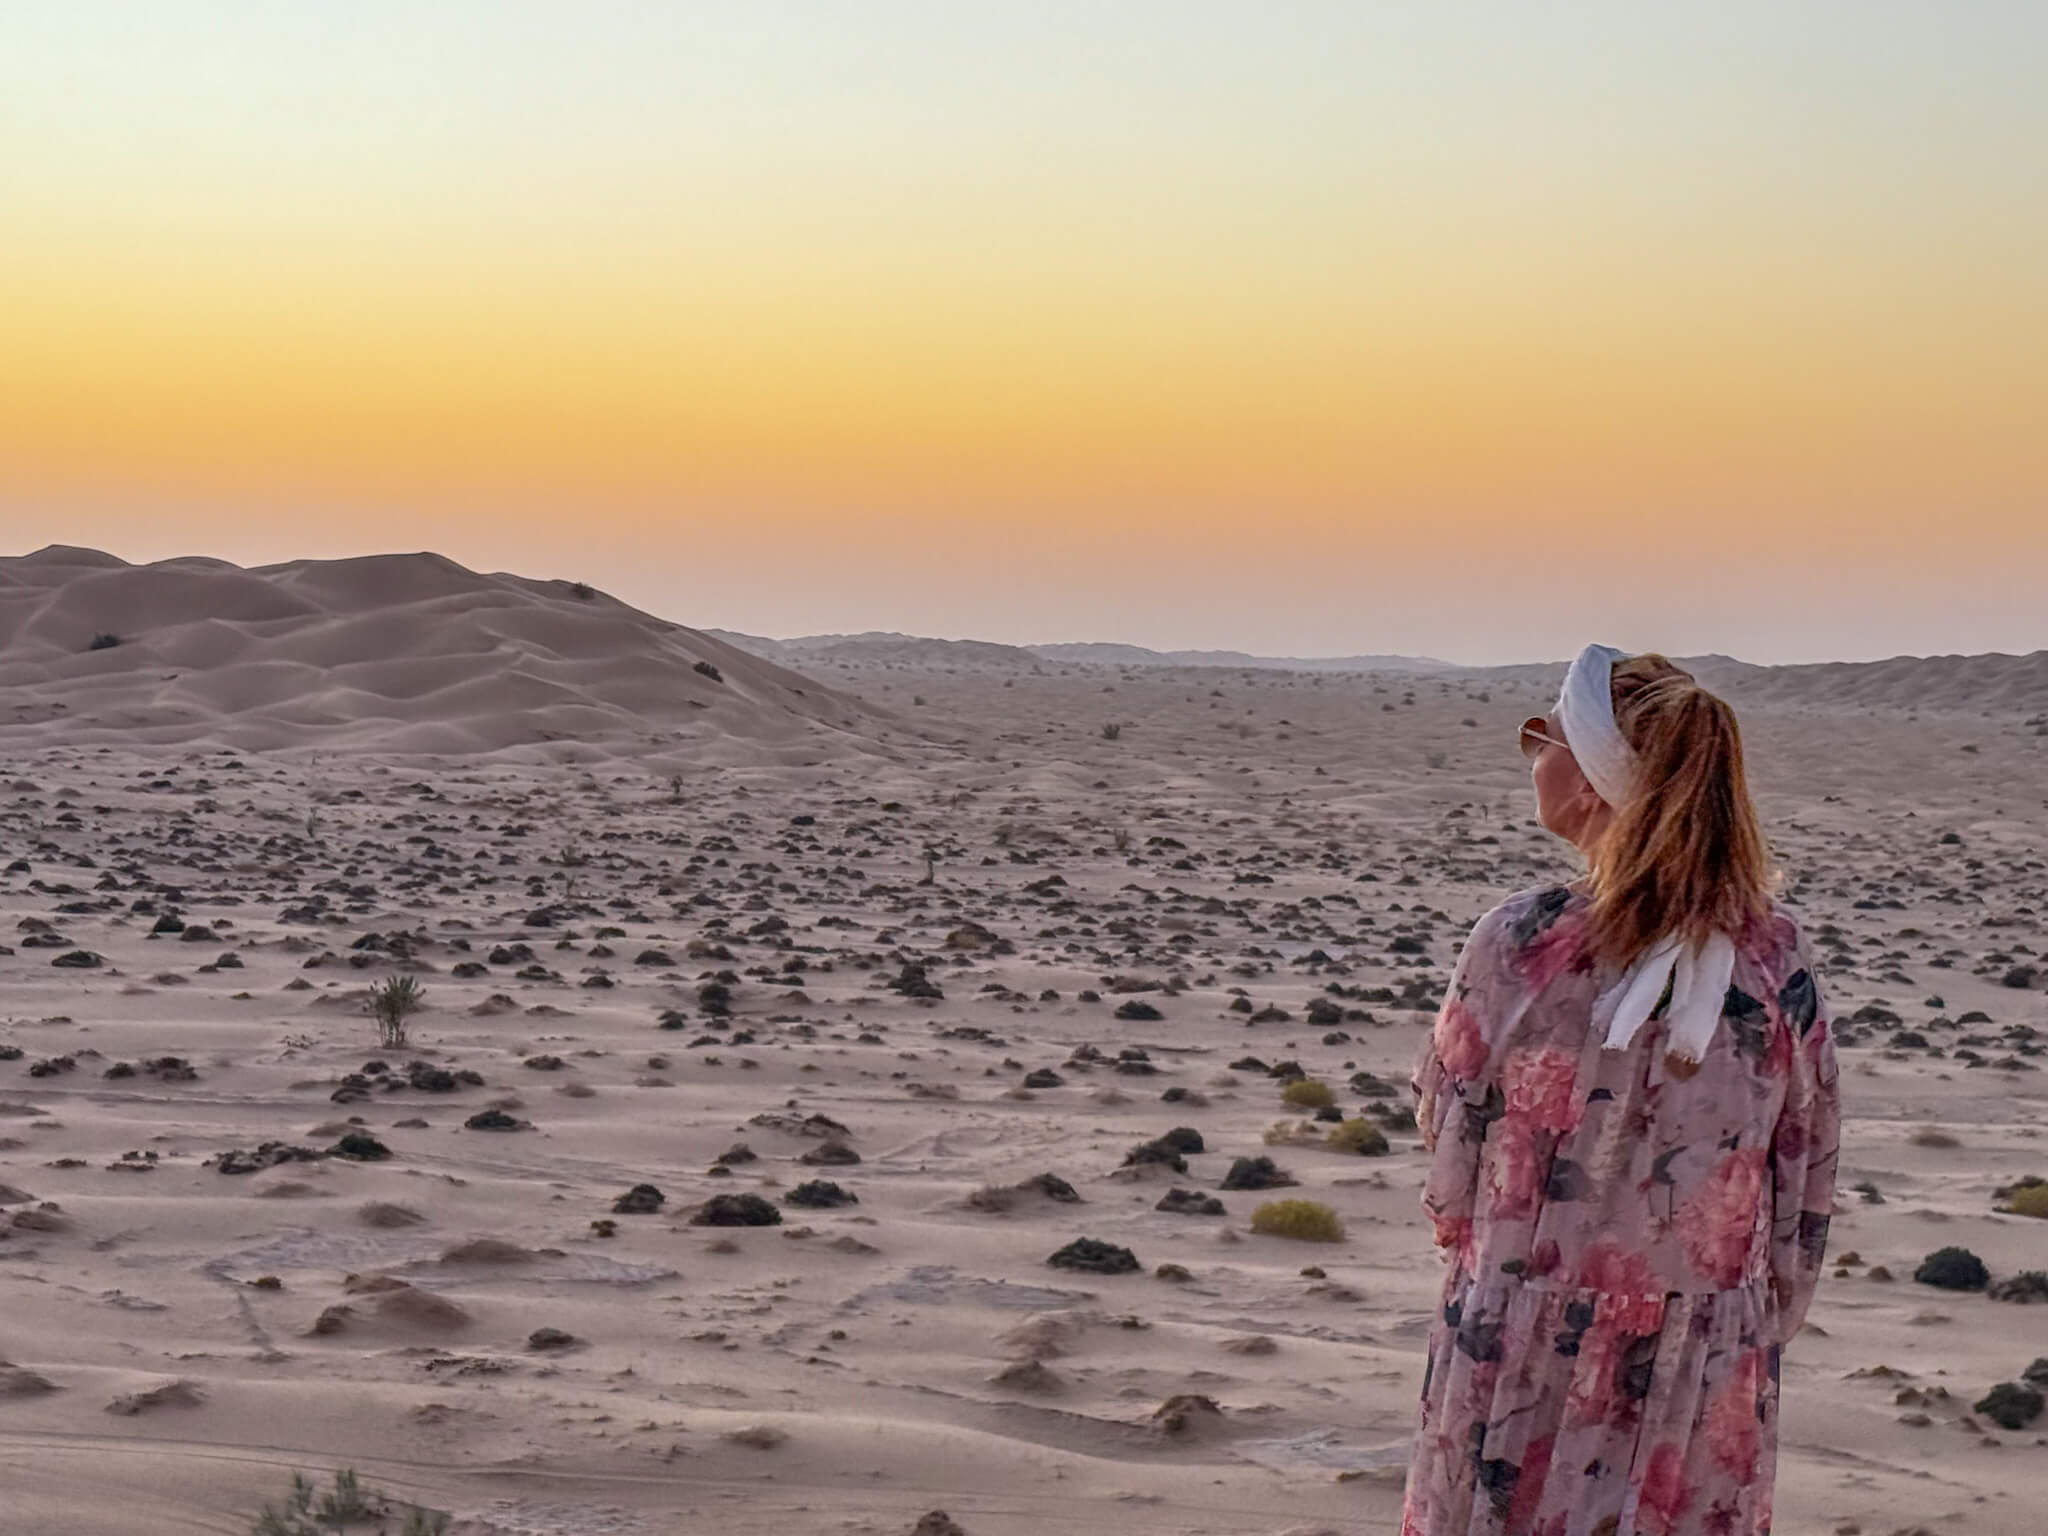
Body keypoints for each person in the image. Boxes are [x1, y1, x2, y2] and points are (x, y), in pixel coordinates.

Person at [1399, 645, 1841, 1536]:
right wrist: (1751, 1314)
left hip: (1519, 1348)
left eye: (1546, 736)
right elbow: (1807, 1166)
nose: (1532, 755)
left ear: (1597, 782)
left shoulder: (1519, 944)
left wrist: (1492, 1261)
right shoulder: (1774, 958)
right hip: (1707, 1360)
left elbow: (1449, 1149)